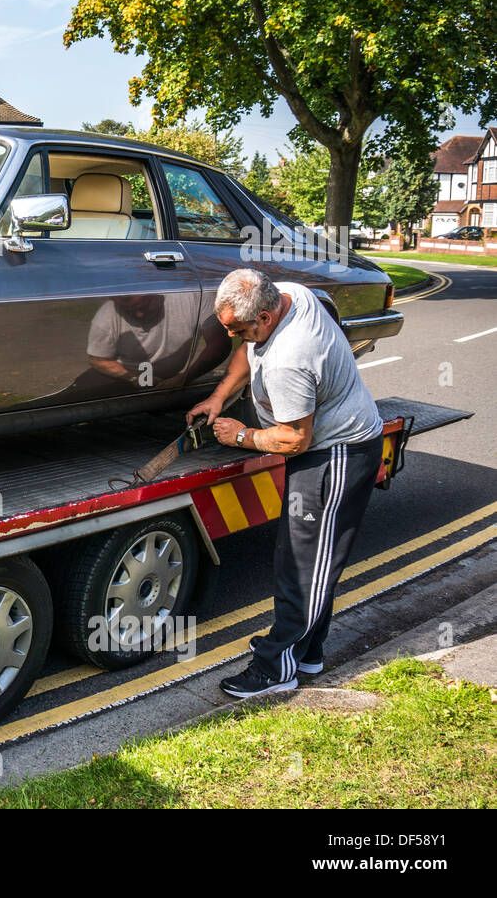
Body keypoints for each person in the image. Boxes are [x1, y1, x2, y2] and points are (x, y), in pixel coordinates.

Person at [187, 268, 384, 698]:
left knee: (301, 567)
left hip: (335, 455)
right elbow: (248, 350)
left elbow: (294, 438)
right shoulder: (289, 295)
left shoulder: (291, 358)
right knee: (314, 561)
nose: (235, 337)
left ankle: (276, 669)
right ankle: (308, 652)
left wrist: (241, 436)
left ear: (265, 316)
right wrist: (219, 396)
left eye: (239, 329)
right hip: (335, 442)